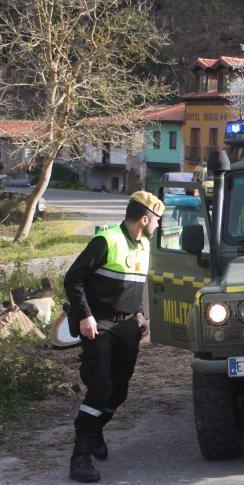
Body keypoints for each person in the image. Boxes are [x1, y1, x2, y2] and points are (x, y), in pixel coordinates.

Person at [63, 191, 164, 482]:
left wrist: (141, 313)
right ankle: (79, 457)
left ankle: (94, 430)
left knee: (119, 391)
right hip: (100, 324)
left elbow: (133, 285)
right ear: (145, 219)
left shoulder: (143, 245)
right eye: (157, 220)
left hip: (128, 326)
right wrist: (84, 315)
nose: (158, 225)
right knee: (101, 387)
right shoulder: (106, 240)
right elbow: (73, 278)